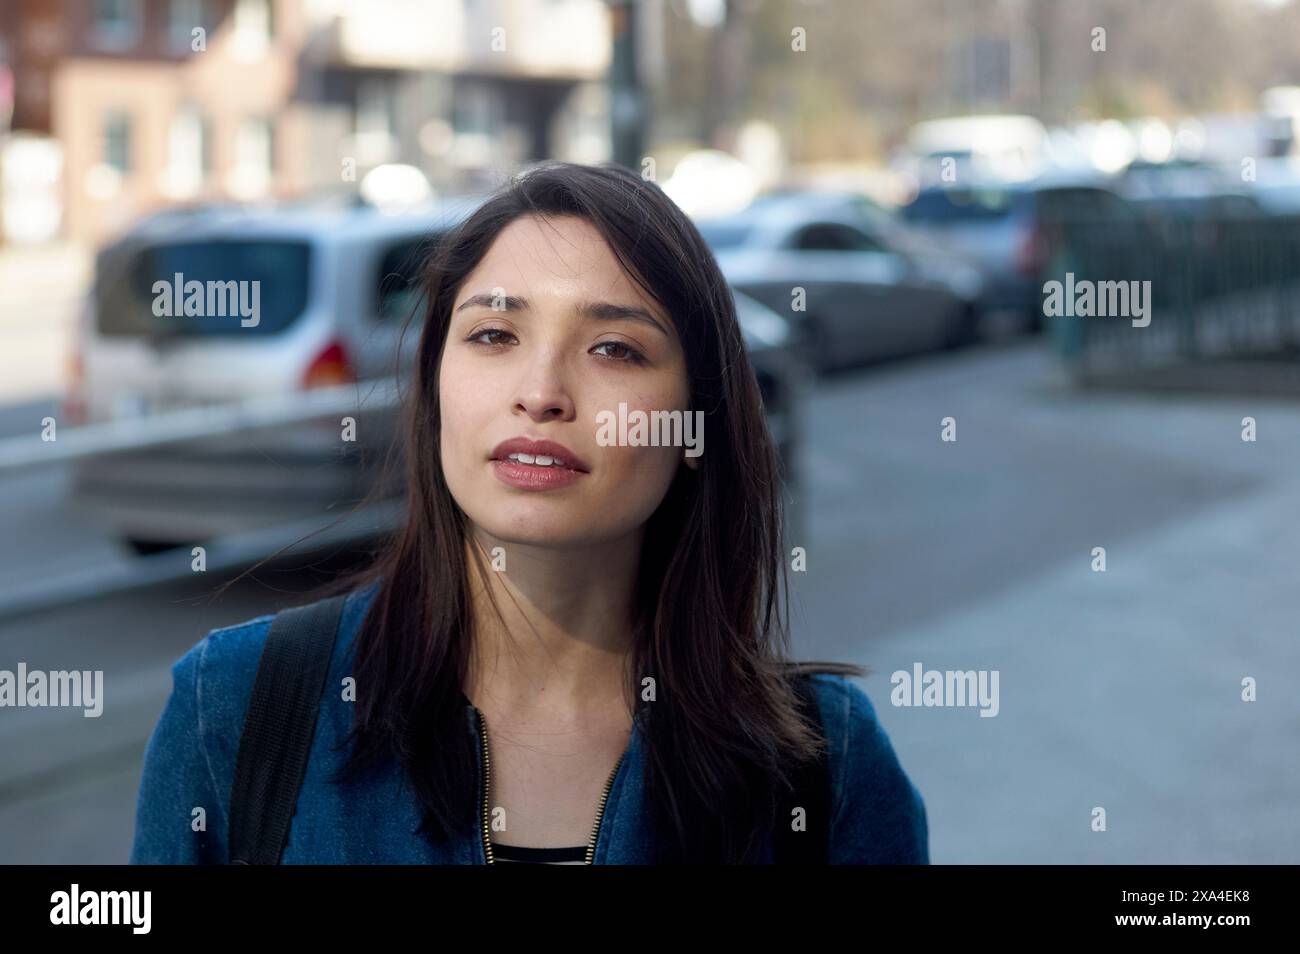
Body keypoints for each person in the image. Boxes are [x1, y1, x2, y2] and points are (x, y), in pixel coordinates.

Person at [129, 161, 929, 865]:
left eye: (614, 348)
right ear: (437, 387)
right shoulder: (238, 706)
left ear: (696, 423)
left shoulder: (827, 767)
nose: (540, 391)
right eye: (494, 334)